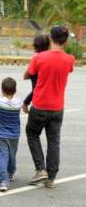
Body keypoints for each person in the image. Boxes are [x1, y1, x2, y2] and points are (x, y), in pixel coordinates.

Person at [25, 26, 75, 188]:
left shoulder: (39, 58)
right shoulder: (69, 59)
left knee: (32, 133)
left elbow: (28, 75)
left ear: (50, 39)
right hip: (57, 107)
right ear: (65, 41)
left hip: (40, 105)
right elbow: (69, 70)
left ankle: (41, 169)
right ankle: (51, 178)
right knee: (54, 141)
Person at [0, 77, 22, 192]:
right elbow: (24, 103)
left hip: (2, 134)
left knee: (3, 156)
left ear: (2, 90)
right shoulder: (18, 102)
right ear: (15, 90)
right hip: (15, 134)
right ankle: (11, 172)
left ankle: (3, 181)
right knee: (12, 155)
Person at [22, 35, 50, 113]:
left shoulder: (36, 55)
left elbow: (26, 75)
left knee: (35, 89)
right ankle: (25, 102)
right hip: (37, 72)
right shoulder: (41, 56)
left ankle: (26, 103)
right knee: (36, 89)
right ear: (48, 45)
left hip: (35, 73)